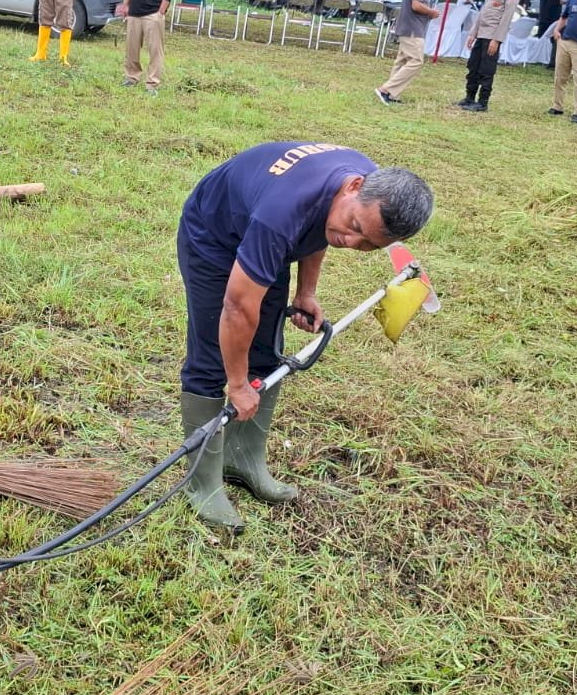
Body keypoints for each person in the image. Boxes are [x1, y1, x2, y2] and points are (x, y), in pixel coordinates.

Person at [176, 143, 434, 530]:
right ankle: (203, 484)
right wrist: (236, 384)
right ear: (354, 187)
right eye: (357, 228)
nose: (352, 242)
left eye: (369, 245)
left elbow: (322, 229)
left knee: (266, 349)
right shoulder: (283, 211)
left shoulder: (363, 192)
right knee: (214, 355)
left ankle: (243, 460)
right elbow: (237, 308)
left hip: (270, 224)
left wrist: (306, 292)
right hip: (215, 233)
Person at [374, 0, 442, 105]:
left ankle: (392, 94)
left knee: (403, 61)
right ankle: (385, 89)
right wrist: (431, 12)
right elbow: (416, 5)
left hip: (407, 25)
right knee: (416, 61)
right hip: (413, 27)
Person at [458, 0, 524, 112]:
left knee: (486, 70)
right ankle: (469, 97)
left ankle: (482, 102)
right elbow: (485, 11)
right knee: (473, 66)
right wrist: (473, 33)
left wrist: (497, 39)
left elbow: (507, 15)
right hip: (481, 33)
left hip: (492, 34)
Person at [536, 0, 566, 68]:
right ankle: (550, 60)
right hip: (554, 17)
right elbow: (563, 0)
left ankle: (537, 57)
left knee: (541, 37)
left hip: (543, 15)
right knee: (554, 39)